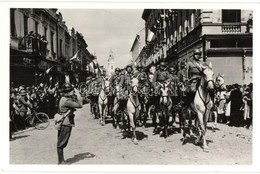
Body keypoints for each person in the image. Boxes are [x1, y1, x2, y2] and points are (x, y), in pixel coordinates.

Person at [57, 83, 82, 165]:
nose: (73, 92)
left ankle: (61, 160)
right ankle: (61, 161)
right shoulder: (66, 101)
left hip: (63, 122)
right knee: (62, 142)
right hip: (66, 123)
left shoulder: (64, 98)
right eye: (72, 91)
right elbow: (80, 105)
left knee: (61, 141)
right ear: (68, 92)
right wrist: (78, 94)